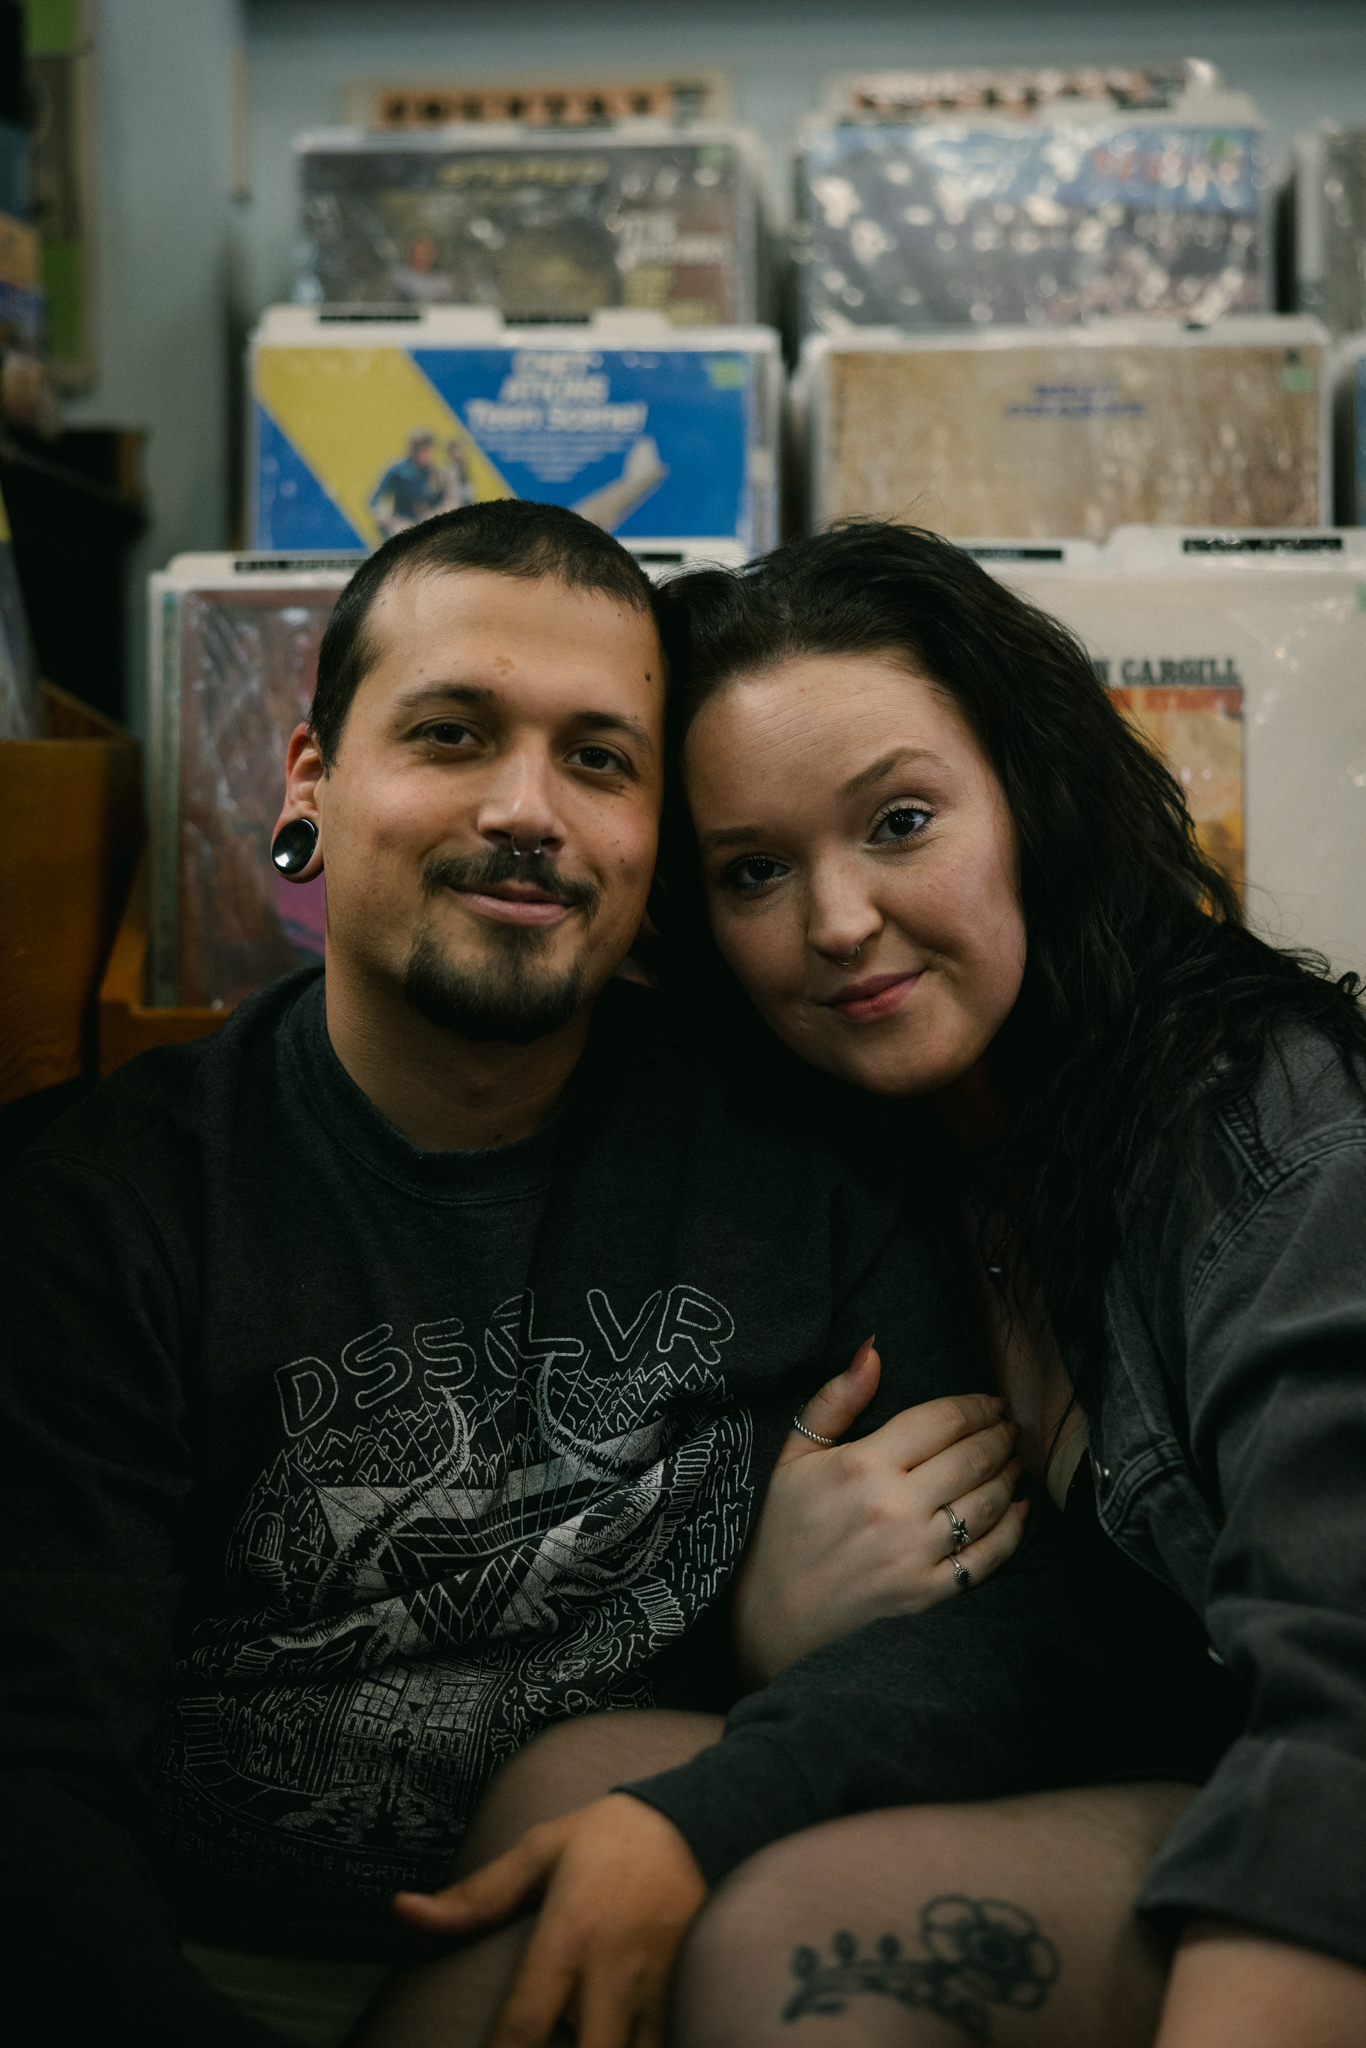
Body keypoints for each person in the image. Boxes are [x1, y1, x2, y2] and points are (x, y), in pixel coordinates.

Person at [0, 503, 1057, 2048]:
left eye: (599, 760)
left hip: (665, 1925)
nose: (524, 811)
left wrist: (733, 1736)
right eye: (451, 735)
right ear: (310, 781)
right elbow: (30, 1786)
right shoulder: (104, 1210)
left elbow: (987, 1630)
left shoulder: (812, 1151)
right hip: (199, 1972)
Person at [631, 523, 1363, 2046]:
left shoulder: (1270, 1129)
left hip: (1310, 1796)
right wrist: (759, 1614)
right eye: (754, 870)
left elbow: (1344, 1675)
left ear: (1031, 800)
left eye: (899, 821)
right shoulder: (840, 1151)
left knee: (792, 1937)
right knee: (563, 1795)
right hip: (1148, 1755)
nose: (837, 921)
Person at [370, 430, 445, 540]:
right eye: (429, 449)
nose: (432, 454)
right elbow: (377, 497)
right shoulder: (398, 471)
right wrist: (382, 513)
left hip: (425, 522)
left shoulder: (433, 472)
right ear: (418, 450)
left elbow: (439, 500)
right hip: (401, 522)